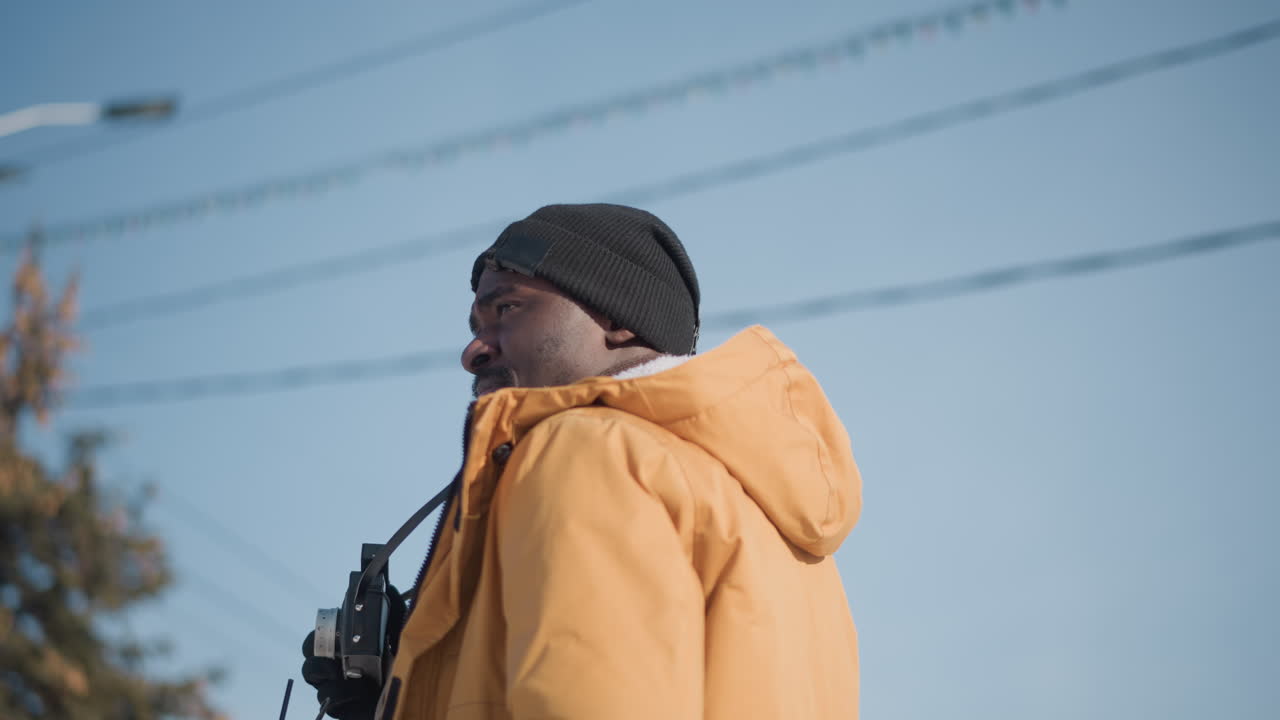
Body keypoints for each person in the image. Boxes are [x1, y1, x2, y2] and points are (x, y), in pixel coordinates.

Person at [303, 203, 862, 719]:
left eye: (507, 308)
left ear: (619, 318)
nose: (474, 349)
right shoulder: (787, 541)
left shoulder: (589, 451)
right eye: (476, 326)